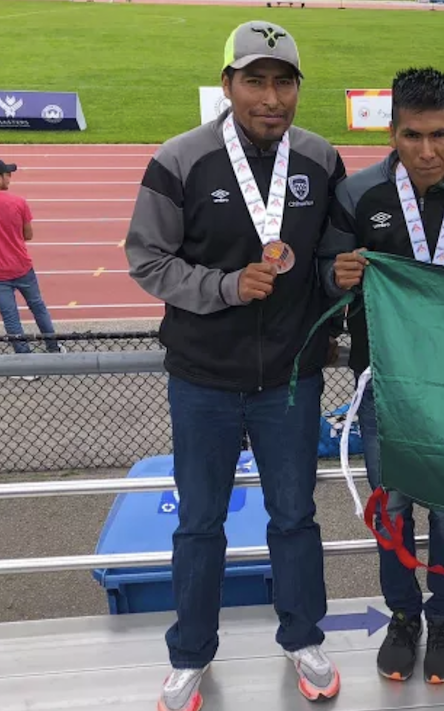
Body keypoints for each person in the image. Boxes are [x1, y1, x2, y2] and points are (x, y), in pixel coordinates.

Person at [124, 20, 347, 711]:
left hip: (289, 379)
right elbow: (147, 260)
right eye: (256, 81)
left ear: (297, 89)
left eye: (284, 82)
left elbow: (323, 263)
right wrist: (224, 287)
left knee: (294, 517)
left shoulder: (320, 159)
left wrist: (340, 275)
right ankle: (190, 654)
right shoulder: (180, 159)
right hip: (203, 378)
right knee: (199, 522)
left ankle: (303, 638)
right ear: (228, 85)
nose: (271, 97)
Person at [325, 67, 444, 685]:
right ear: (392, 131)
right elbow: (328, 277)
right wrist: (337, 275)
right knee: (393, 506)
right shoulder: (357, 197)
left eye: (439, 135)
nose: (426, 152)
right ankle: (404, 617)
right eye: (410, 136)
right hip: (384, 384)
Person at [0, 158, 63, 361]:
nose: (10, 177)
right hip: (22, 266)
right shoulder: (19, 202)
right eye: (7, 173)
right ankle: (53, 348)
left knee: (11, 318)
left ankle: (24, 360)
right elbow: (28, 235)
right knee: (38, 307)